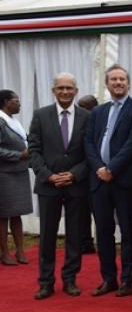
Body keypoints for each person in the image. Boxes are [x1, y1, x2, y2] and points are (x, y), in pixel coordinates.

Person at [84, 64, 132, 297]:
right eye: (114, 79)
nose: (118, 83)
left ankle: (127, 278)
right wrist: (100, 168)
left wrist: (112, 168)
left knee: (127, 230)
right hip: (99, 180)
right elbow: (88, 143)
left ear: (128, 83)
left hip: (124, 180)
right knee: (103, 231)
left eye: (122, 79)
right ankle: (108, 278)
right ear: (107, 84)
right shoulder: (97, 112)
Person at [28, 74, 90, 299]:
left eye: (69, 88)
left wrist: (74, 174)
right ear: (53, 90)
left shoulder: (86, 116)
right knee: (47, 235)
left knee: (75, 234)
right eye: (61, 88)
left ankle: (70, 279)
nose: (65, 91)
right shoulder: (40, 115)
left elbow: (90, 152)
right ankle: (45, 281)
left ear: (76, 90)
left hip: (76, 185)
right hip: (48, 186)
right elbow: (33, 150)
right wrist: (48, 176)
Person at [0, 89, 32, 266]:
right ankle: (5, 253)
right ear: (6, 102)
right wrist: (19, 155)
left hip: (19, 172)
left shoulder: (13, 121)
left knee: (16, 214)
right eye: (16, 100)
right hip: (4, 174)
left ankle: (20, 251)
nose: (19, 103)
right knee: (3, 215)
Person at [77, 94, 98, 254]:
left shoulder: (95, 120)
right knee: (84, 213)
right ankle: (86, 243)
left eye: (82, 107)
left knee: (93, 213)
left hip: (95, 174)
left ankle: (90, 243)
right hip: (84, 175)